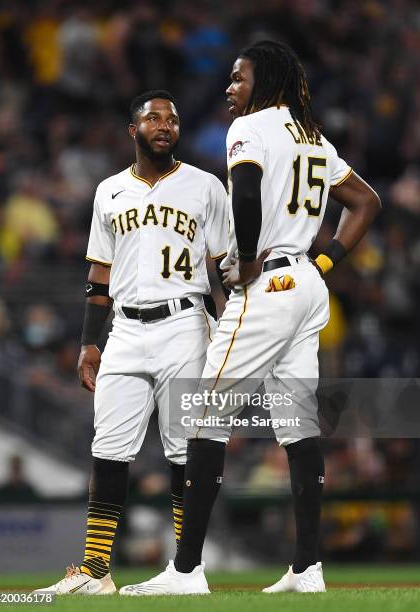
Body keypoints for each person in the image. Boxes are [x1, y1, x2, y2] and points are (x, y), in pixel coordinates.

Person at [120, 40, 380, 596]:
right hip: (307, 285)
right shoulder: (315, 137)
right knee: (298, 426)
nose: (230, 88)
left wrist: (245, 259)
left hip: (266, 285)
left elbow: (245, 193)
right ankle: (307, 568)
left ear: (264, 82)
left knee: (203, 414)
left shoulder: (251, 128)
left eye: (238, 78)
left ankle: (186, 572)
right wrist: (326, 261)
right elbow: (366, 203)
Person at [34, 90, 228, 595]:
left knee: (184, 451)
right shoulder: (109, 191)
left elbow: (222, 268)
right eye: (153, 117)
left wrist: (232, 332)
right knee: (108, 449)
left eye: (172, 119)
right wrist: (88, 343)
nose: (164, 125)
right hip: (123, 329)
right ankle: (97, 572)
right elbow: (99, 277)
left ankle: (187, 571)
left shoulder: (206, 186)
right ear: (133, 129)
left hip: (186, 325)